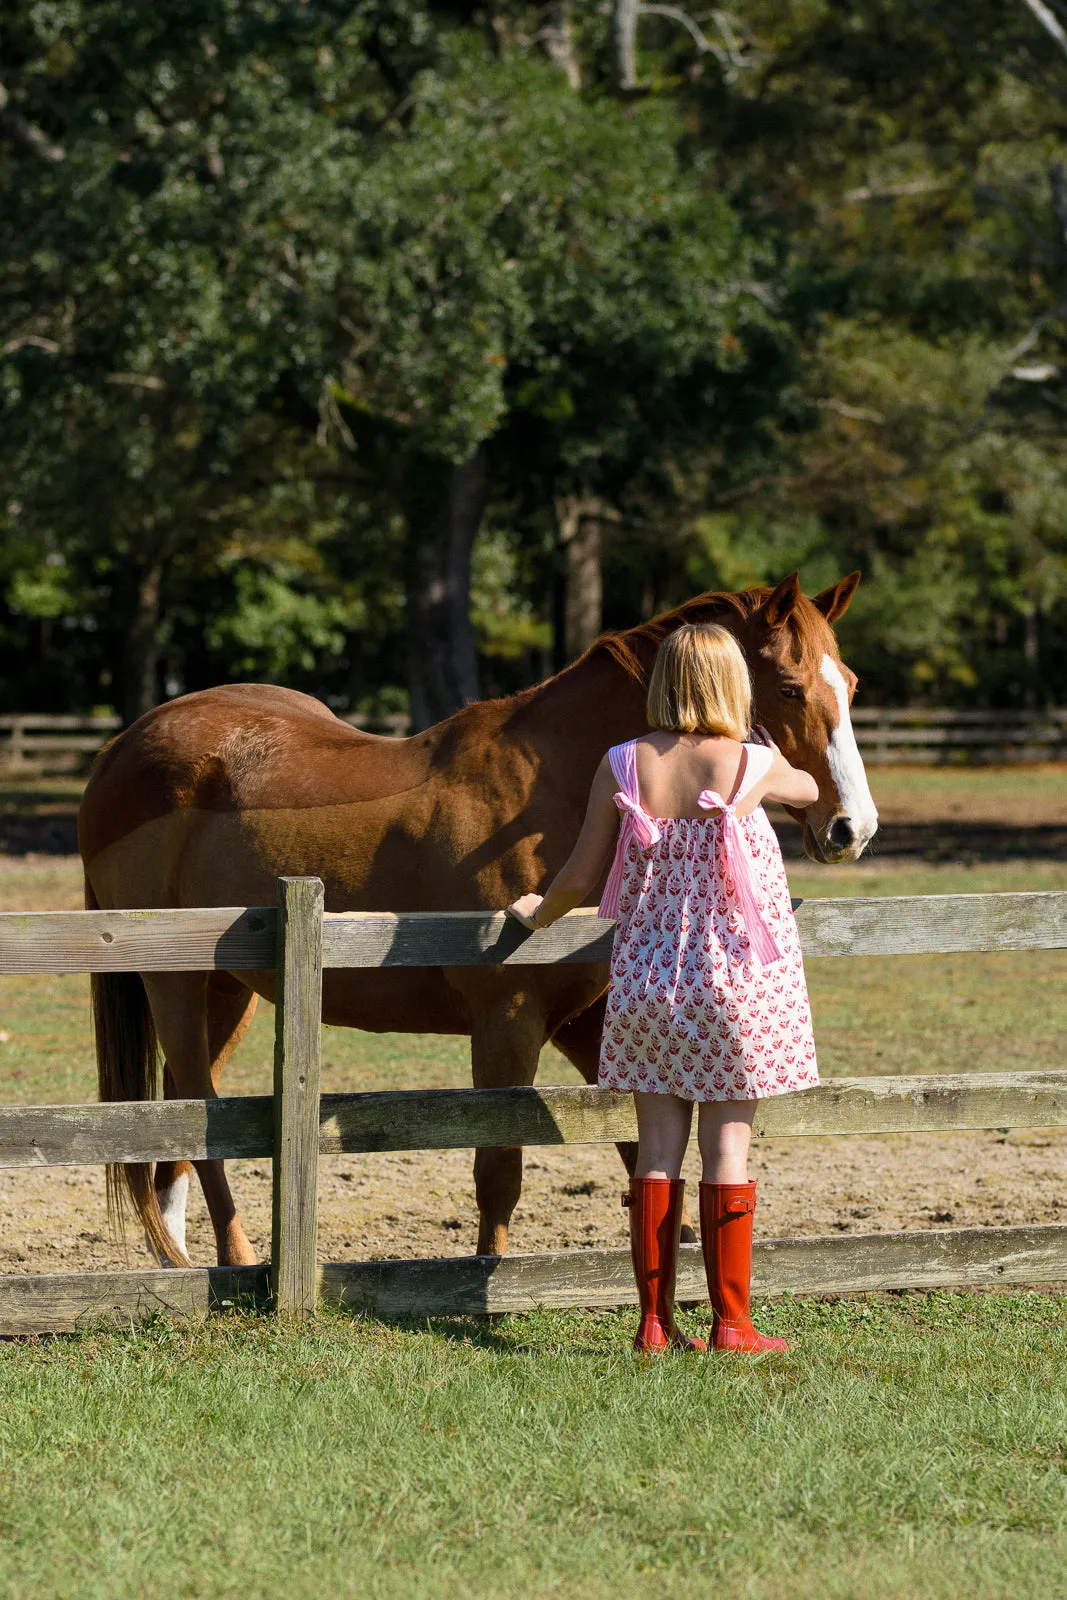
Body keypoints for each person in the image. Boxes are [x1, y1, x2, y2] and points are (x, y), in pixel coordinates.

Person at [507, 623, 820, 1355]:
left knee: (655, 1149)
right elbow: (809, 789)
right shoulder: (751, 763)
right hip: (736, 986)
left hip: (648, 981)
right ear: (733, 687)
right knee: (728, 1149)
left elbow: (581, 876)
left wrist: (536, 910)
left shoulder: (621, 763)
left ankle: (652, 1324)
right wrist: (770, 759)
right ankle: (732, 1324)